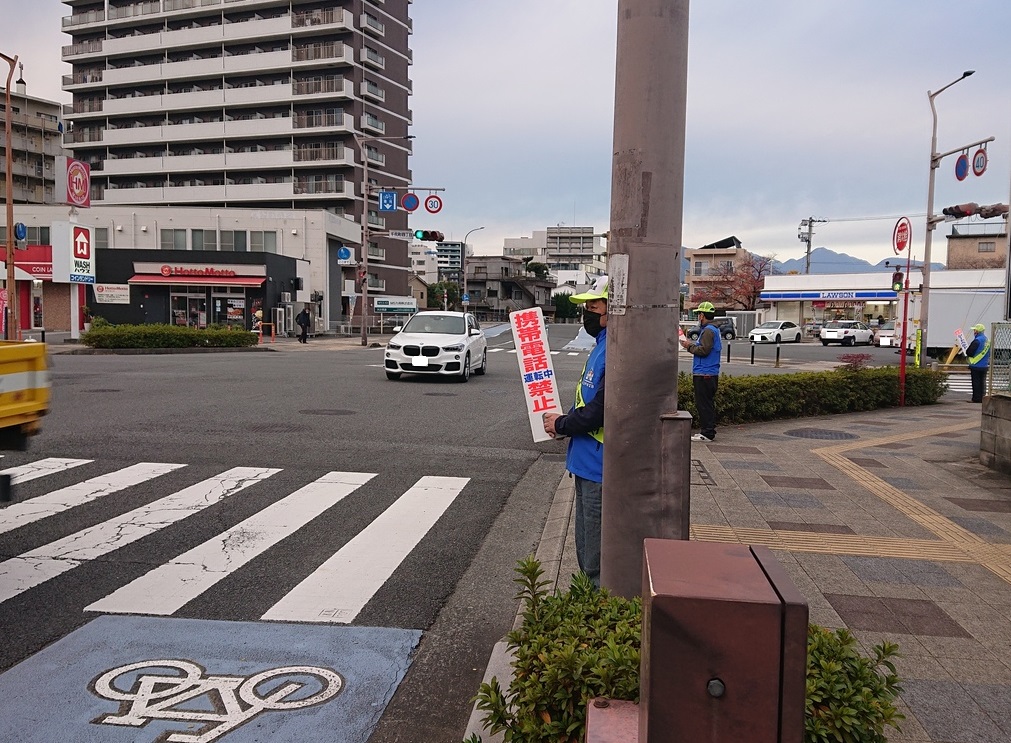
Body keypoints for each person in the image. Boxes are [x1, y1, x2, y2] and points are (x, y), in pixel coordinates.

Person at [542, 275, 608, 588]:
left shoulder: (616, 350)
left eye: (593, 307)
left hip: (600, 466)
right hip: (585, 462)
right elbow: (586, 400)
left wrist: (562, 424)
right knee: (585, 546)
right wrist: (564, 423)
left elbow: (600, 410)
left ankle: (596, 605)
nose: (587, 314)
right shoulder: (601, 346)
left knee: (595, 557)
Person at [680, 300, 722, 442]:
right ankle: (707, 431)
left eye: (699, 314)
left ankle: (707, 433)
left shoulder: (708, 331)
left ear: (702, 315)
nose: (698, 317)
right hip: (709, 373)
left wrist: (688, 346)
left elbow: (703, 350)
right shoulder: (713, 329)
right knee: (706, 403)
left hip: (704, 373)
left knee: (704, 404)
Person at [966, 323, 990, 403]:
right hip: (984, 365)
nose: (974, 331)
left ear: (977, 331)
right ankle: (983, 397)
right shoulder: (987, 341)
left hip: (976, 365)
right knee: (982, 382)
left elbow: (969, 352)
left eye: (974, 330)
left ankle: (976, 398)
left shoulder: (977, 341)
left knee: (976, 382)